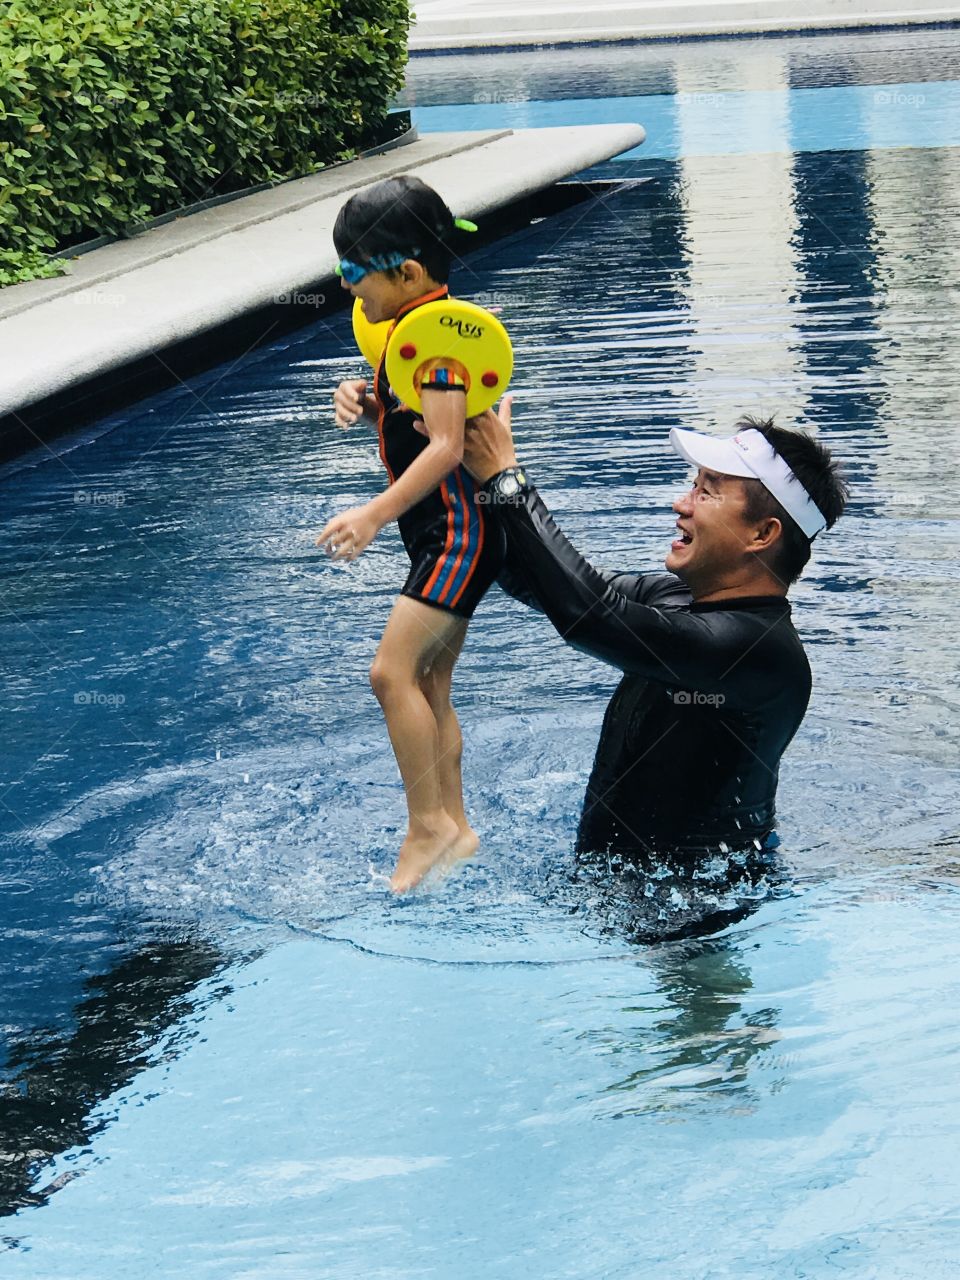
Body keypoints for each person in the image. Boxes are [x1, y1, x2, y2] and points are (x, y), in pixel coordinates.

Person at [462, 399, 848, 864]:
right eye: (693, 485)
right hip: (624, 899)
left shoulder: (758, 653)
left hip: (695, 922)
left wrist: (507, 480)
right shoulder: (673, 597)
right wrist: (429, 445)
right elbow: (530, 575)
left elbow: (589, 617)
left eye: (707, 493)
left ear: (762, 534)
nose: (680, 504)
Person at [317, 176, 503, 893]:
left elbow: (449, 446)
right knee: (428, 680)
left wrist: (372, 513)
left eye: (355, 276)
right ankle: (453, 827)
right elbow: (417, 425)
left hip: (457, 535)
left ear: (409, 273)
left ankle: (427, 827)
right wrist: (372, 407)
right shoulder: (415, 331)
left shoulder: (443, 343)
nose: (348, 292)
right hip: (447, 533)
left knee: (389, 674)